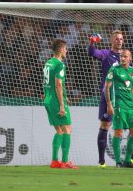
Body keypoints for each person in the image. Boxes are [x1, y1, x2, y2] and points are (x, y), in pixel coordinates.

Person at [88, 30, 133, 168]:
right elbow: (92, 53)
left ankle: (130, 159)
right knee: (105, 126)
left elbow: (131, 79)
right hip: (108, 97)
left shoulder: (125, 58)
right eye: (116, 39)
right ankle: (102, 162)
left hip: (125, 99)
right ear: (112, 41)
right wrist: (91, 43)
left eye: (121, 39)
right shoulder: (106, 54)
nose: (119, 41)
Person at [44, 39, 79, 169]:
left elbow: (48, 84)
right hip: (56, 101)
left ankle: (54, 161)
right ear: (60, 49)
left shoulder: (48, 63)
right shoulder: (60, 64)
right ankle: (65, 162)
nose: (66, 51)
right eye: (65, 48)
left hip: (48, 100)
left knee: (59, 130)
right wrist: (62, 105)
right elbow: (58, 84)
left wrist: (64, 96)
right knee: (67, 129)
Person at [104, 49, 133, 168]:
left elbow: (132, 89)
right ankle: (118, 162)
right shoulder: (114, 69)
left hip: (130, 107)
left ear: (130, 58)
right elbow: (107, 87)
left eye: (125, 56)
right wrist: (109, 104)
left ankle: (127, 161)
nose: (123, 58)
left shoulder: (132, 71)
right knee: (118, 132)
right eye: (121, 56)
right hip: (119, 106)